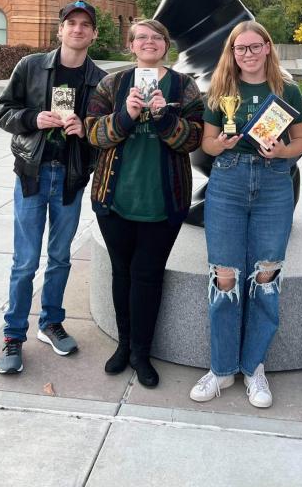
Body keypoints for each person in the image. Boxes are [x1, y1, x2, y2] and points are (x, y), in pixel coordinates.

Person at [189, 20, 302, 408]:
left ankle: (254, 367)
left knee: (266, 273)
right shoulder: (221, 90)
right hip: (228, 183)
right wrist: (220, 145)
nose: (249, 54)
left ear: (268, 48)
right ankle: (222, 369)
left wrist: (282, 152)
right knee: (224, 275)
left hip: (274, 184)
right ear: (232, 52)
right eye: (241, 48)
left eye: (256, 47)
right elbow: (206, 141)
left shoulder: (285, 89)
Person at [85, 20, 204, 388]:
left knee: (148, 276)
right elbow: (94, 133)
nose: (149, 42)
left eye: (156, 37)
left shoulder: (184, 86)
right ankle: (124, 346)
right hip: (115, 198)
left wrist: (165, 116)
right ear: (131, 45)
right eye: (142, 38)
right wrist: (126, 115)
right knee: (122, 273)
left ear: (165, 45)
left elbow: (194, 138)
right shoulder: (112, 83)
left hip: (163, 201)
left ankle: (142, 351)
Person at [0, 0, 106, 374]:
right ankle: (13, 335)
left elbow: (106, 133)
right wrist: (31, 118)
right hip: (32, 174)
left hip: (70, 179)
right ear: (60, 30)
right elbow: (2, 111)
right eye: (70, 23)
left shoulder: (101, 80)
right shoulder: (31, 67)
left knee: (60, 257)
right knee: (25, 262)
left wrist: (85, 131)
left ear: (93, 34)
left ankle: (51, 322)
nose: (77, 29)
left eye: (84, 25)